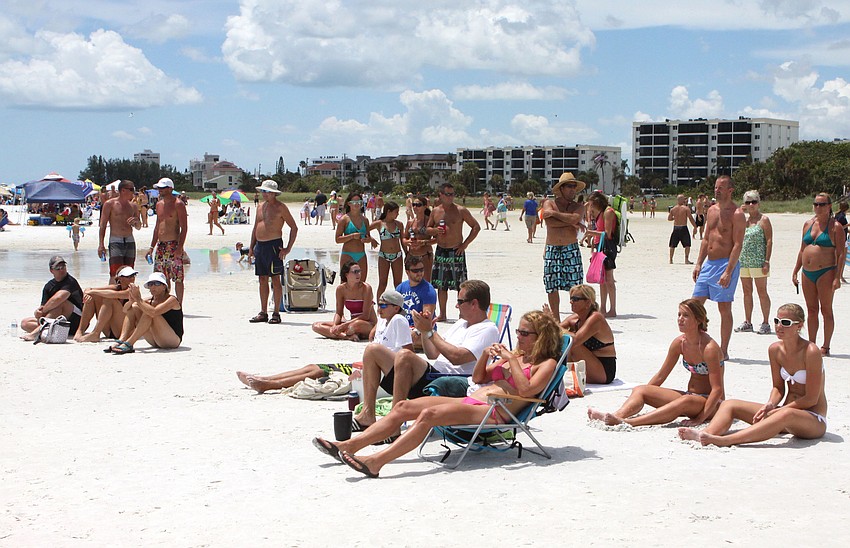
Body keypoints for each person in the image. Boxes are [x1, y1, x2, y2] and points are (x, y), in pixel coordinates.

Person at [313, 310, 561, 478]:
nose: (518, 336)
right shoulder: (517, 357)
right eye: (518, 331)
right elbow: (478, 378)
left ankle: (376, 462)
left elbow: (528, 390)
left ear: (541, 337)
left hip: (495, 412)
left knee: (429, 414)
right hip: (474, 399)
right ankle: (348, 445)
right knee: (403, 407)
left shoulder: (545, 363)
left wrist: (511, 361)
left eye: (524, 333)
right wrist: (486, 355)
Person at [351, 279, 499, 430]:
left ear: (474, 304)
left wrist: (430, 332)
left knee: (405, 355)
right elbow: (432, 353)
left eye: (460, 301)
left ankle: (393, 424)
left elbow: (457, 357)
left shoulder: (487, 329)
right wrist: (424, 330)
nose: (456, 305)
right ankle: (367, 414)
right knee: (372, 350)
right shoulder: (461, 324)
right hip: (434, 377)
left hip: (452, 383)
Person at [679, 303, 827, 446]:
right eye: (777, 321)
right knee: (730, 404)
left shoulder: (811, 351)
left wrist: (780, 410)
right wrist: (770, 404)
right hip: (783, 413)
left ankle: (727, 440)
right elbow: (778, 388)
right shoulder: (774, 349)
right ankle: (706, 433)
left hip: (812, 420)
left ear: (799, 326)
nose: (779, 326)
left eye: (786, 322)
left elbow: (811, 399)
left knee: (786, 415)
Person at [239, 290, 412, 393]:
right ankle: (265, 378)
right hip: (365, 367)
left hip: (380, 374)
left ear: (396, 308)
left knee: (318, 372)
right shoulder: (383, 321)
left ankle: (269, 385)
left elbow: (407, 356)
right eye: (378, 305)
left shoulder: (398, 320)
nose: (379, 309)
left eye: (383, 306)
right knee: (313, 367)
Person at [588, 299, 725, 427]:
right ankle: (616, 415)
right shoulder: (680, 343)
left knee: (686, 400)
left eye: (686, 315)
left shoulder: (709, 348)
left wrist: (700, 418)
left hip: (712, 404)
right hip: (690, 396)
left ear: (698, 320)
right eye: (679, 314)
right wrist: (647, 393)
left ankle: (629, 422)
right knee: (641, 389)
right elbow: (661, 375)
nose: (680, 319)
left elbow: (717, 389)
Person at [692, 175, 745, 359]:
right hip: (709, 264)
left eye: (721, 188)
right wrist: (699, 263)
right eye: (715, 187)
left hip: (725, 263)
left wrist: (728, 271)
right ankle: (696, 343)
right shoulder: (712, 210)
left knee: (724, 308)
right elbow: (706, 238)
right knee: (694, 305)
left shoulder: (737, 214)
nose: (716, 190)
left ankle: (724, 350)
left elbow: (738, 244)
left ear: (730, 190)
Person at [791, 192, 846, 356]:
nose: (818, 207)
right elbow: (802, 249)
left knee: (826, 310)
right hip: (807, 273)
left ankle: (826, 346)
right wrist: (795, 270)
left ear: (829, 206)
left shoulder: (835, 227)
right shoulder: (808, 224)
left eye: (822, 204)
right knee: (811, 309)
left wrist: (837, 277)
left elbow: (841, 253)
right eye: (815, 204)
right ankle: (812, 344)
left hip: (826, 272)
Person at [427, 183, 481, 322]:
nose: (451, 197)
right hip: (441, 250)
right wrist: (435, 231)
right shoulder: (436, 211)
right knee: (441, 284)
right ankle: (443, 313)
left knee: (460, 285)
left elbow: (476, 227)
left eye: (452, 194)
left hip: (456, 250)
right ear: (441, 195)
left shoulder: (460, 210)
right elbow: (428, 229)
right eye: (448, 194)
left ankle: (462, 314)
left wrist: (465, 244)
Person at [248, 180, 299, 324]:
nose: (264, 194)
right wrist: (252, 247)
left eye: (267, 191)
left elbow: (293, 227)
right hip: (260, 246)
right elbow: (255, 227)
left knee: (275, 279)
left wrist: (288, 248)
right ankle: (263, 311)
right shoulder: (259, 207)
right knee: (262, 279)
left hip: (273, 246)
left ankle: (276, 312)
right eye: (263, 191)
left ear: (274, 193)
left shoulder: (281, 208)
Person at [546, 284, 616, 384]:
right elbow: (554, 332)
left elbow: (575, 341)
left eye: (575, 299)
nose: (571, 302)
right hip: (587, 366)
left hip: (604, 371)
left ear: (588, 302)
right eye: (571, 298)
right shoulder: (575, 318)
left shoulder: (596, 318)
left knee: (570, 344)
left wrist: (553, 323)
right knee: (555, 341)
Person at [541, 172, 586, 322]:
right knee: (551, 285)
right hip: (552, 248)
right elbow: (549, 223)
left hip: (570, 248)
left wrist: (554, 214)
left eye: (574, 186)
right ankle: (556, 320)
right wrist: (571, 222)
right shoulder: (549, 203)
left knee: (576, 286)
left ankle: (578, 318)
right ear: (561, 188)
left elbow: (575, 217)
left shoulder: (578, 206)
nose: (573, 190)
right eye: (569, 186)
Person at [105, 272, 183, 355]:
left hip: (172, 340)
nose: (153, 287)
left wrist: (138, 299)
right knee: (135, 307)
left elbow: (153, 312)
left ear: (164, 287)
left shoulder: (172, 300)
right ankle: (122, 340)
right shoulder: (149, 300)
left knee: (149, 312)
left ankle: (129, 343)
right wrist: (132, 300)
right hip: (155, 339)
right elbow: (125, 310)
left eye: (157, 283)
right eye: (150, 284)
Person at [734, 190, 773, 335]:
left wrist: (767, 260)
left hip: (759, 261)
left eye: (754, 202)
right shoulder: (744, 221)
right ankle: (748, 321)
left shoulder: (764, 220)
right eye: (748, 202)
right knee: (746, 292)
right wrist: (740, 209)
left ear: (759, 203)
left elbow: (769, 241)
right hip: (744, 261)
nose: (751, 205)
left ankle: (765, 322)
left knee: (762, 291)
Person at [145, 178, 189, 303]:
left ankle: (179, 305)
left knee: (178, 277)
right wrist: (151, 247)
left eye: (162, 188)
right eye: (159, 188)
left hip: (173, 244)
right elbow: (157, 227)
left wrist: (180, 248)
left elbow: (184, 227)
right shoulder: (159, 204)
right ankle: (164, 303)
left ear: (170, 189)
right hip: (161, 245)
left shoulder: (178, 204)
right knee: (161, 276)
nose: (160, 190)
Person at [20, 256, 83, 341]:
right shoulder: (48, 286)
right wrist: (38, 312)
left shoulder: (70, 281)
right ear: (51, 270)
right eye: (58, 268)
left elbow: (59, 298)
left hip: (77, 320)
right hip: (57, 319)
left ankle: (37, 332)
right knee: (25, 323)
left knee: (61, 303)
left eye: (63, 267)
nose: (61, 270)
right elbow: (43, 307)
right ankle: (50, 330)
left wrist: (43, 311)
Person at [311, 260, 377, 340]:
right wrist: (335, 325)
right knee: (316, 325)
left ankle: (344, 334)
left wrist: (343, 326)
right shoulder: (341, 289)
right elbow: (339, 312)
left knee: (353, 326)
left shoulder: (366, 288)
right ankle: (347, 337)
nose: (358, 274)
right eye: (355, 272)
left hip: (368, 324)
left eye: (359, 271)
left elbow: (365, 316)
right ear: (346, 274)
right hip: (351, 322)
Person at [74, 266, 137, 343]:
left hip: (124, 331)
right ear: (120, 278)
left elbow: (116, 294)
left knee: (109, 299)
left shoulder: (133, 290)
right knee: (93, 297)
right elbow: (88, 289)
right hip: (110, 329)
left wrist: (92, 292)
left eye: (133, 275)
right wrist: (88, 293)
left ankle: (96, 333)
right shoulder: (116, 287)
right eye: (129, 276)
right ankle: (80, 331)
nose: (132, 278)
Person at [98, 179, 141, 282]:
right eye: (131, 189)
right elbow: (103, 225)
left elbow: (139, 227)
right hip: (116, 240)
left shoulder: (133, 206)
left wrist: (136, 222)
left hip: (130, 240)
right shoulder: (110, 204)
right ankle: (112, 297)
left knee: (130, 272)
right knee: (115, 273)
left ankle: (128, 296)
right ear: (123, 190)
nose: (133, 192)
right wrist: (101, 244)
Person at [586, 191, 619, 317]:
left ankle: (613, 309)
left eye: (591, 204)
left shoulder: (608, 212)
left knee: (609, 279)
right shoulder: (600, 213)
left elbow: (607, 234)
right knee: (602, 280)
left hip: (608, 248)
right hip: (601, 248)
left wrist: (590, 233)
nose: (590, 207)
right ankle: (603, 308)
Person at [396, 255, 437, 348]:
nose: (419, 273)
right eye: (415, 271)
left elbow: (427, 317)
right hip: (404, 327)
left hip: (420, 329)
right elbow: (392, 310)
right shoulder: (400, 288)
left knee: (413, 338)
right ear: (407, 272)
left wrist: (416, 331)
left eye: (421, 270)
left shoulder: (429, 290)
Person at [335, 191, 375, 282]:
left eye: (359, 202)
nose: (356, 205)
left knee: (361, 283)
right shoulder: (344, 219)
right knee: (345, 283)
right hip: (347, 254)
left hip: (361, 254)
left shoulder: (365, 220)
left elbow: (368, 237)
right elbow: (337, 239)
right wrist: (352, 236)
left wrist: (368, 240)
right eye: (354, 202)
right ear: (349, 204)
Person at [369, 201, 404, 300]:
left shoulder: (399, 224)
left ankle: (399, 305)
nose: (398, 214)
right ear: (389, 211)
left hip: (397, 255)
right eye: (396, 212)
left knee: (398, 283)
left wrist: (407, 254)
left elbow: (402, 241)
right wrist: (371, 239)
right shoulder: (379, 224)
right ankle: (380, 306)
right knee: (382, 283)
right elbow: (364, 230)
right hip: (383, 256)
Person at [403, 195, 435, 282]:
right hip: (412, 255)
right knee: (412, 281)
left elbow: (436, 239)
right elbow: (404, 237)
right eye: (413, 204)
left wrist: (423, 242)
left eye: (418, 205)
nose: (415, 207)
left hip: (425, 255)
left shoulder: (430, 221)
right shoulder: (410, 222)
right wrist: (407, 242)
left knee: (426, 281)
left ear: (425, 206)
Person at [668, 194, 696, 264]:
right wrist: (695, 226)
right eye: (684, 199)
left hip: (676, 227)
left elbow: (669, 218)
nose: (685, 200)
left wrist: (675, 218)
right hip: (683, 227)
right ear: (682, 200)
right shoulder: (686, 208)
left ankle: (671, 260)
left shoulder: (673, 209)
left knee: (672, 245)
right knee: (687, 245)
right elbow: (690, 218)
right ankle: (686, 259)